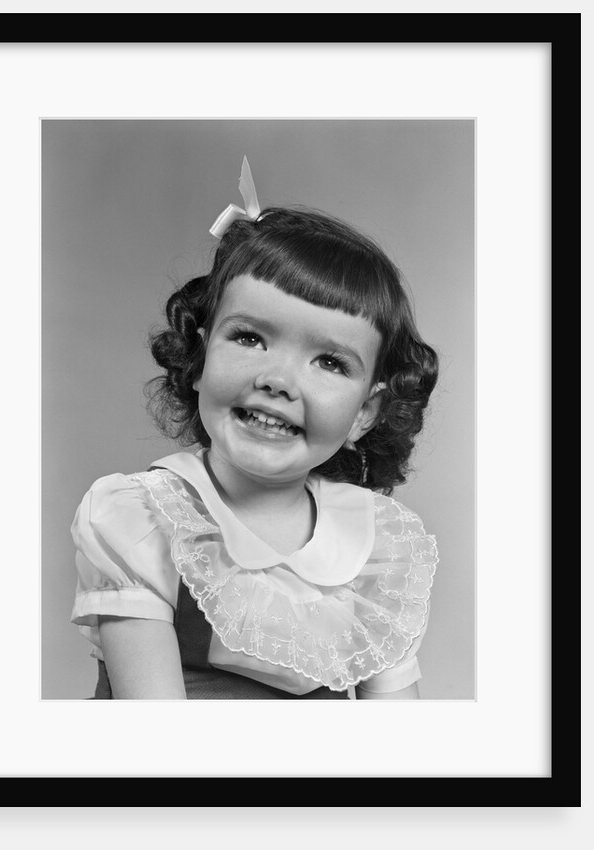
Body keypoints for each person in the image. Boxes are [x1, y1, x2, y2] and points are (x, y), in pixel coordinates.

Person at [70, 158, 439, 700]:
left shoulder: (377, 546)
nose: (278, 380)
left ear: (366, 413)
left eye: (330, 363)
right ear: (199, 354)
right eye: (249, 338)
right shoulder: (142, 518)